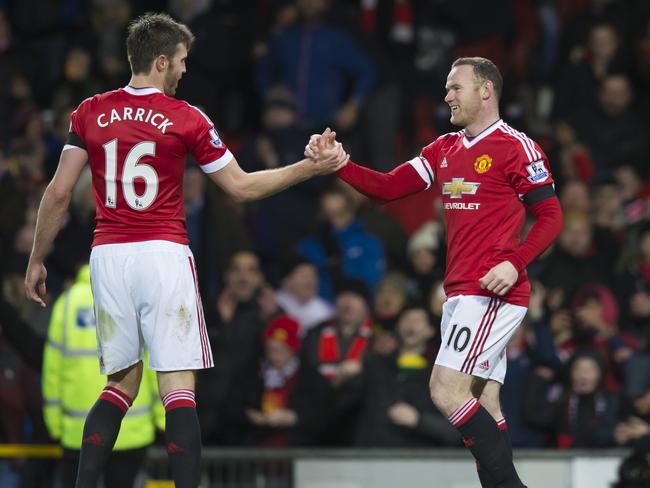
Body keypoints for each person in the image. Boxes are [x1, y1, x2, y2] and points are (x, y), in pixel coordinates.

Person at [23, 12, 347, 488]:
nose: (185, 70)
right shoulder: (186, 117)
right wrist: (307, 169)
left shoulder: (89, 111)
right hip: (162, 252)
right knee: (177, 390)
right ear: (160, 62)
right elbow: (240, 187)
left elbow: (56, 194)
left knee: (120, 387)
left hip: (108, 256)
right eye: (181, 61)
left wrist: (36, 258)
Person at [308, 57, 563, 487]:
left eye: (455, 87)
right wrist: (341, 165)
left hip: (492, 292)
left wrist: (514, 263)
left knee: (445, 390)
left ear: (485, 91)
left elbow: (552, 216)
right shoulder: (443, 149)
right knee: (486, 402)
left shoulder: (516, 146)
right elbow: (389, 187)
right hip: (462, 293)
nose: (446, 96)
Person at [42, 264, 164, 487]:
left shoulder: (67, 304)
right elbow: (154, 363)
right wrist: (163, 418)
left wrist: (54, 423)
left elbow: (52, 368)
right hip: (132, 428)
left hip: (78, 431)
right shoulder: (136, 297)